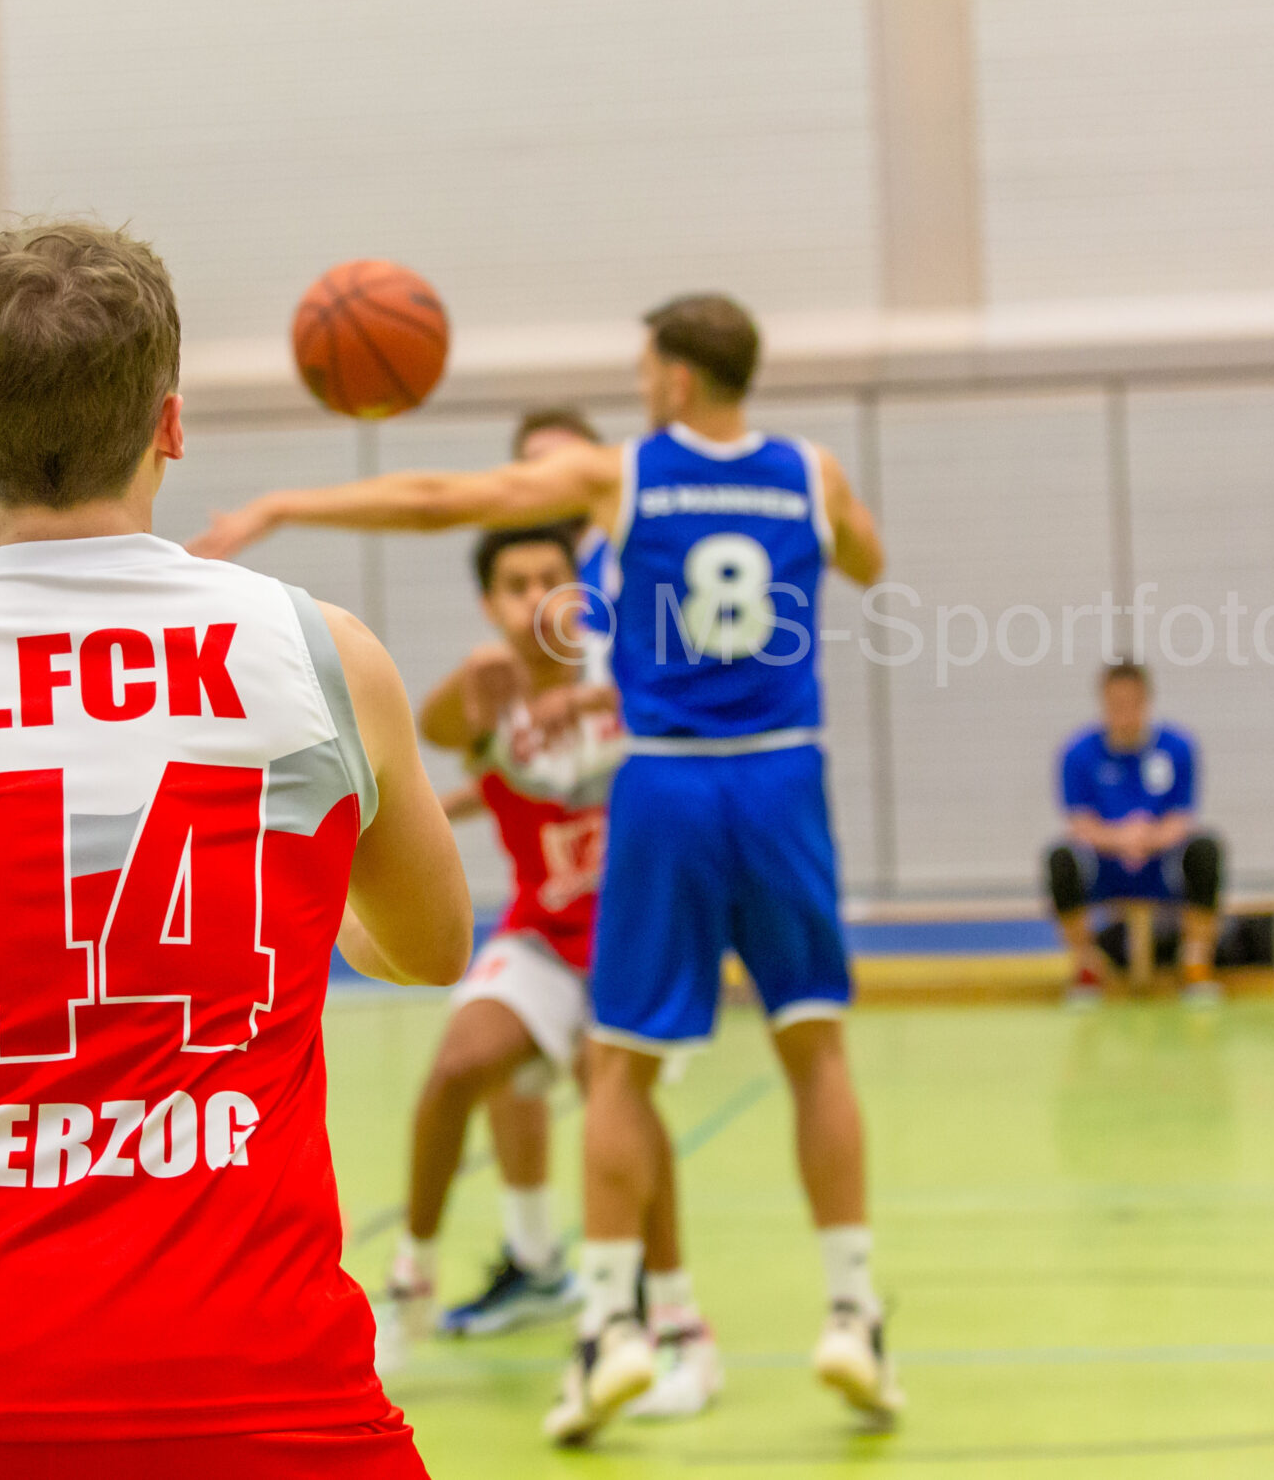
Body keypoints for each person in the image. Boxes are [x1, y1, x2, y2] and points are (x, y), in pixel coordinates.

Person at [0, 220, 474, 1479]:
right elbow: (431, 946)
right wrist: (299, 926)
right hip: (262, 1391)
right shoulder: (320, 656)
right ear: (172, 423)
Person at [193, 292, 896, 1442]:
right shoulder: (808, 473)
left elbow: (438, 502)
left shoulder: (626, 481)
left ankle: (615, 1321)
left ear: (673, 379)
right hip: (780, 777)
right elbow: (865, 560)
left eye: (643, 369)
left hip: (666, 782)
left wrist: (281, 504)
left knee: (617, 1070)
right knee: (811, 1049)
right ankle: (853, 1314)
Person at [380, 522, 718, 1421]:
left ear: (581, 586)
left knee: (618, 1100)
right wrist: (472, 692)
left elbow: (697, 706)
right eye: (515, 584)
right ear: (491, 603)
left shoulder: (631, 667)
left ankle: (681, 1324)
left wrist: (601, 693)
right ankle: (410, 1275)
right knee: (456, 1069)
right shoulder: (489, 691)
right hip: (541, 934)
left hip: (632, 936)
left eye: (551, 578)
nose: (536, 597)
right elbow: (436, 725)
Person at [1044, 662, 1224, 1006]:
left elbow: (1180, 819)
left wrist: (1147, 839)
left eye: (1133, 703)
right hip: (1106, 865)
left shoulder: (1176, 748)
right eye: (1116, 704)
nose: (1125, 713)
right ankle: (1086, 969)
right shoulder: (1078, 753)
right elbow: (1081, 823)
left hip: (1159, 863)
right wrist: (1121, 838)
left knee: (1206, 850)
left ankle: (1196, 965)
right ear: (1103, 703)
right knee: (1061, 860)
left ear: (1147, 702)